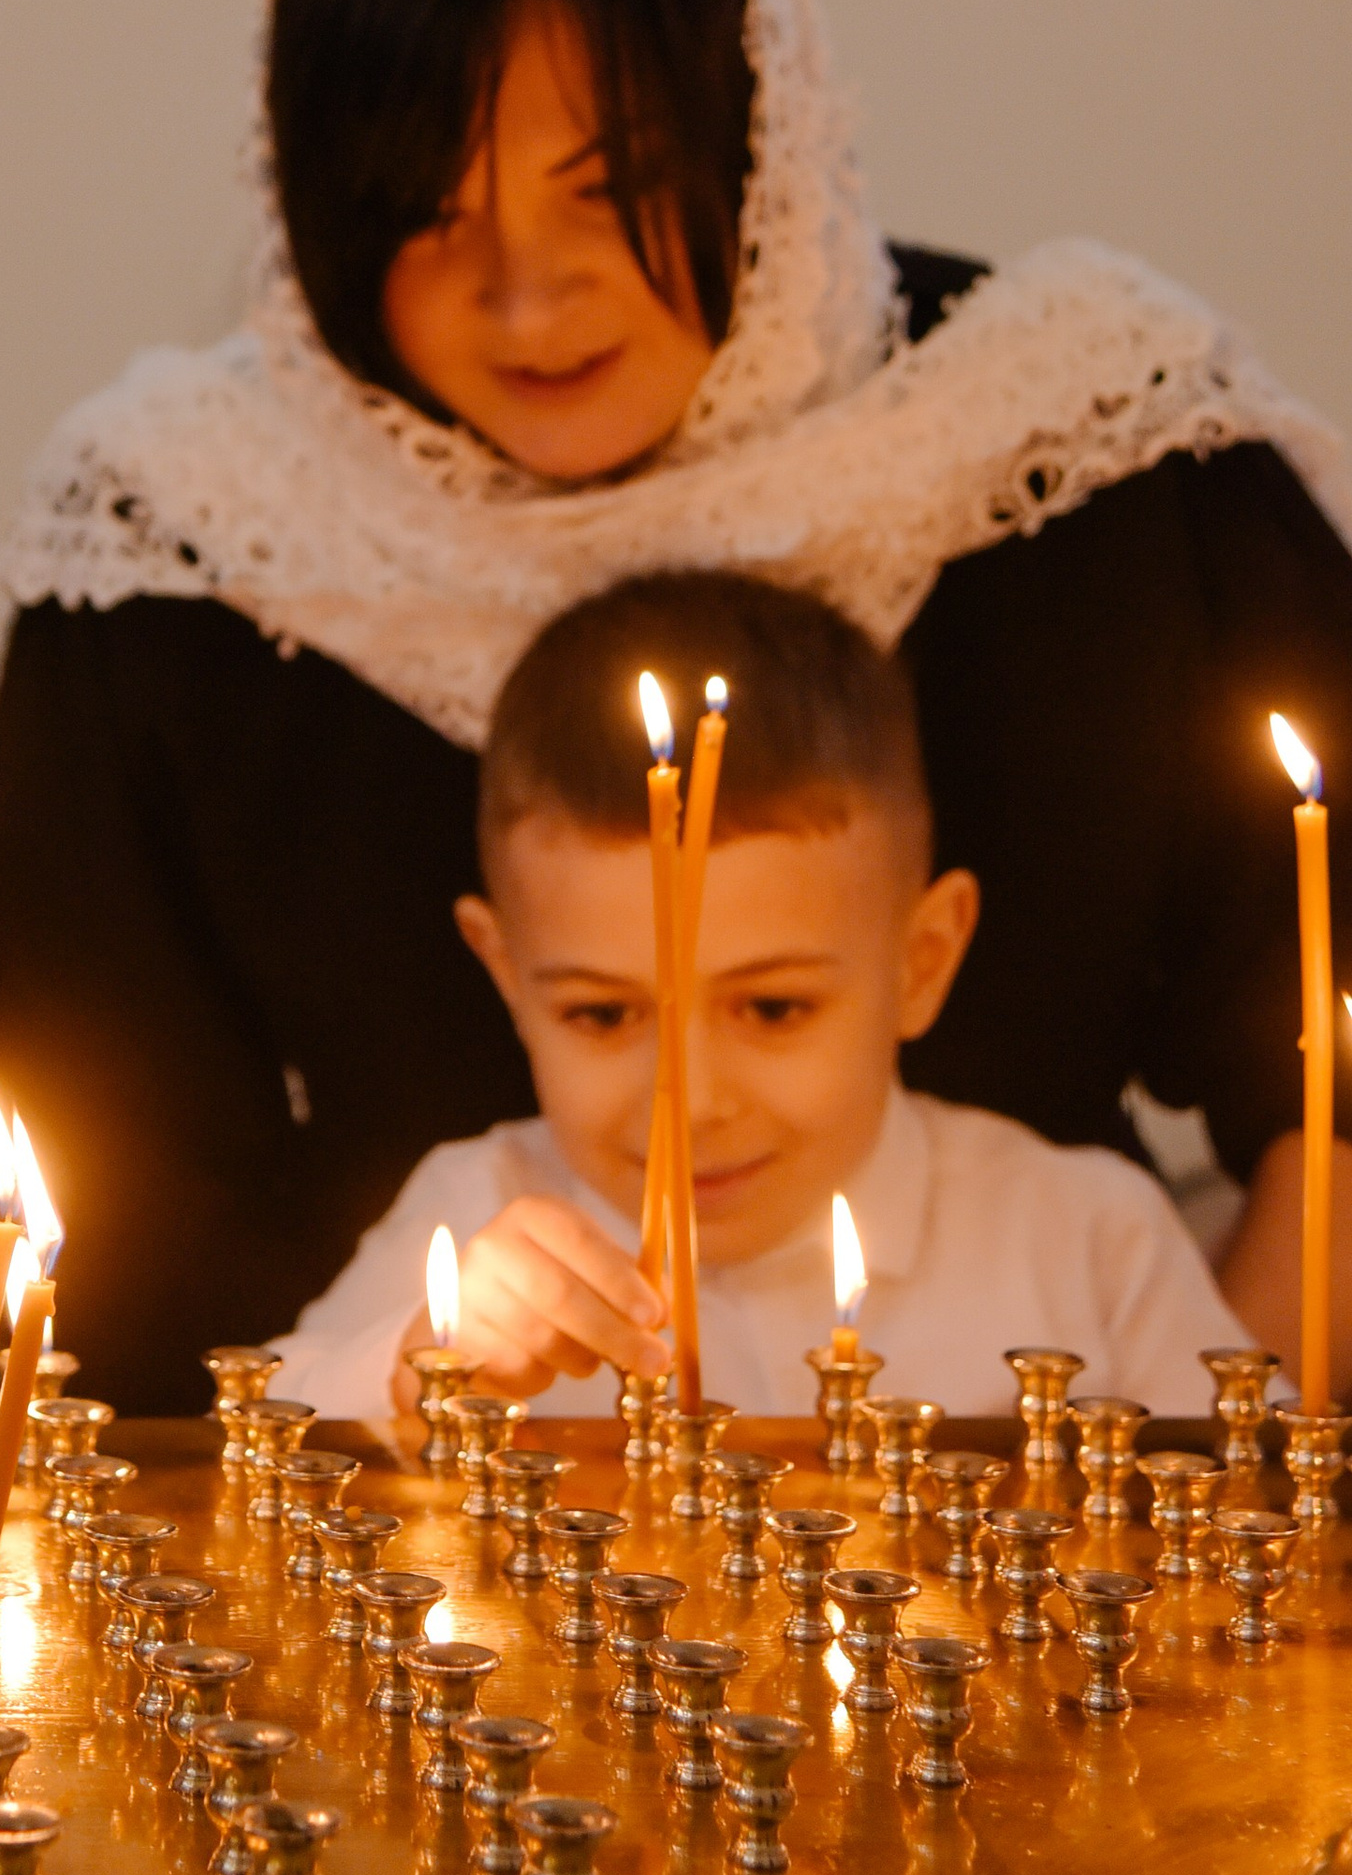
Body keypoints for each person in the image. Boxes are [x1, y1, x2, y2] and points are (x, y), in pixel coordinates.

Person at [0, 0, 1352, 1413]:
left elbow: (1326, 1069)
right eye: (426, 213)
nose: (528, 303)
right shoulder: (187, 548)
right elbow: (85, 1198)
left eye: (608, 191)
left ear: (761, 129)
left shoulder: (1079, 457)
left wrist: (1223, 1467)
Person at [272, 571, 1256, 1424]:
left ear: (920, 961)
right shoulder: (477, 1208)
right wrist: (415, 1363)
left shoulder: (1083, 1237)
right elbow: (258, 1435)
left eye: (775, 1008)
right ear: (505, 977)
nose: (691, 1102)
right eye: (602, 1014)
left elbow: (1252, 1516)